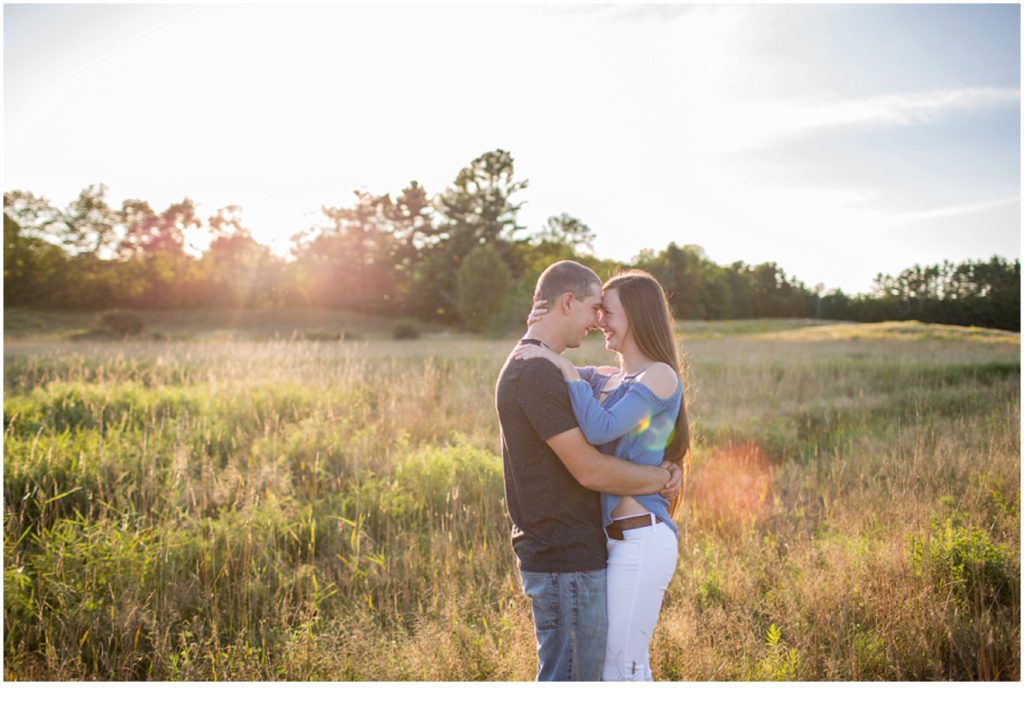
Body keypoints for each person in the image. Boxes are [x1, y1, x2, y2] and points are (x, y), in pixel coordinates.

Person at [495, 260, 682, 682]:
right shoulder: (582, 376)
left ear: (636, 315)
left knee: (619, 668)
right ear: (566, 302)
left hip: (630, 539)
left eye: (607, 311)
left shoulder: (651, 376)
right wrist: (660, 478)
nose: (599, 321)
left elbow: (599, 426)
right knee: (593, 673)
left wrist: (548, 352)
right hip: (577, 550)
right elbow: (591, 468)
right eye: (595, 308)